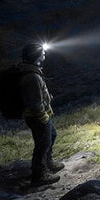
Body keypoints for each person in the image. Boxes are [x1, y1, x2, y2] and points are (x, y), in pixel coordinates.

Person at [18, 42, 65, 186]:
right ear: (36, 55)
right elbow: (35, 102)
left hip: (40, 115)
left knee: (52, 136)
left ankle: (48, 162)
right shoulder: (32, 76)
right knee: (42, 144)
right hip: (37, 117)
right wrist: (43, 117)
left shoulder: (32, 70)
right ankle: (39, 175)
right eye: (42, 52)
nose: (44, 53)